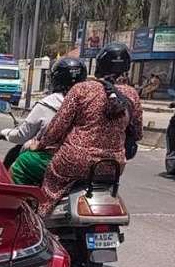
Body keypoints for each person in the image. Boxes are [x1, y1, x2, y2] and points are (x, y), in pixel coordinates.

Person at [35, 42, 143, 215]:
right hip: (112, 166)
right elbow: (137, 133)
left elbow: (57, 127)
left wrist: (40, 144)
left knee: (50, 183)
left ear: (98, 65)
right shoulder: (131, 94)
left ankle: (41, 224)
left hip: (74, 162)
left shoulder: (82, 89)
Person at [1, 57, 88, 185]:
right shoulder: (92, 103)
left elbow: (22, 135)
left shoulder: (50, 103)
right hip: (89, 162)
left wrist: (6, 133)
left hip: (57, 159)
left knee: (19, 165)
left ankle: (14, 201)